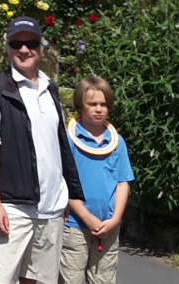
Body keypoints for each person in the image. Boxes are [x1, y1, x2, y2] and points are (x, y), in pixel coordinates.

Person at [0, 17, 84, 284]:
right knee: (0, 280)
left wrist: (68, 192)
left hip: (52, 207)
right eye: (17, 43)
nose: (24, 50)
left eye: (31, 43)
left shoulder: (51, 88)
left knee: (38, 280)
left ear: (41, 49)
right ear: (8, 48)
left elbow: (58, 144)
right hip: (13, 207)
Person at [59, 76, 133, 284]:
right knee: (70, 279)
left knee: (103, 279)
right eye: (92, 104)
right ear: (80, 106)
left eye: (103, 104)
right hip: (74, 226)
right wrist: (87, 217)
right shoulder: (69, 140)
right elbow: (64, 184)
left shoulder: (117, 143)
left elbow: (122, 182)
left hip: (108, 227)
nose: (98, 109)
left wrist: (115, 219)